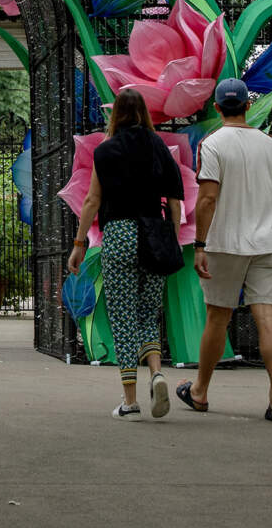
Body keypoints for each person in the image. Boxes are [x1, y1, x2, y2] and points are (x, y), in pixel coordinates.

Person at [176, 77, 272, 422]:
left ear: (216, 108)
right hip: (267, 243)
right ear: (246, 106)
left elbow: (208, 198)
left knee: (218, 316)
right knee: (267, 317)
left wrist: (199, 244)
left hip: (225, 244)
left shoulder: (212, 145)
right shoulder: (270, 145)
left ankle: (199, 392)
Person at [66, 90, 188, 420]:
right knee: (149, 313)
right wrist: (172, 239)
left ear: (116, 114)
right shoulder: (158, 147)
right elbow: (175, 200)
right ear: (144, 114)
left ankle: (130, 399)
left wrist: (79, 245)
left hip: (119, 234)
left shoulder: (106, 151)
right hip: (152, 233)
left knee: (122, 316)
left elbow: (91, 200)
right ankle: (157, 373)